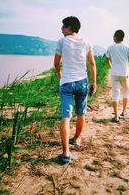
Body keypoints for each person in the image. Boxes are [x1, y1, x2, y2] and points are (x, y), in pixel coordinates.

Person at [54, 16, 97, 163]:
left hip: (66, 83)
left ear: (70, 28)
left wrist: (62, 77)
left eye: (63, 26)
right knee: (81, 113)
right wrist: (94, 82)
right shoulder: (86, 42)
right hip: (82, 82)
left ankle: (66, 153)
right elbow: (92, 63)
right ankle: (77, 139)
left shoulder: (61, 42)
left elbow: (56, 64)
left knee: (66, 116)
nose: (61, 29)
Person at [106, 30, 129, 123]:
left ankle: (116, 116)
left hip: (114, 74)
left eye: (113, 36)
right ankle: (124, 112)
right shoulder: (127, 47)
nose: (113, 37)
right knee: (125, 92)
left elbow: (107, 60)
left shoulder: (110, 48)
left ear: (116, 37)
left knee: (115, 94)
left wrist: (112, 66)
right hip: (125, 74)